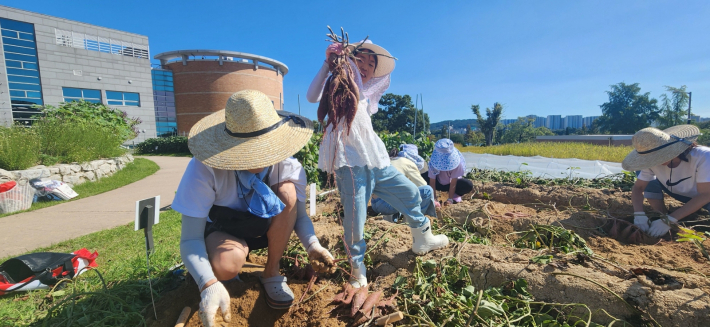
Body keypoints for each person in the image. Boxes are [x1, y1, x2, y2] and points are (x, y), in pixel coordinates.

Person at [172, 90, 335, 326]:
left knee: (288, 192)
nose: (257, 160)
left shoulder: (289, 167)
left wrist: (313, 245)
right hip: (223, 231)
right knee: (227, 265)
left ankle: (272, 272)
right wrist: (207, 283)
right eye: (247, 152)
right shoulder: (205, 169)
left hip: (269, 229)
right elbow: (189, 239)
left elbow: (299, 216)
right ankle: (218, 271)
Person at [307, 39, 448, 289]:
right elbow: (311, 96)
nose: (367, 66)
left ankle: (422, 238)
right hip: (351, 165)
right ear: (350, 58)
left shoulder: (361, 95)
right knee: (355, 218)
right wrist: (328, 64)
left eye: (372, 63)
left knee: (410, 193)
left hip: (377, 161)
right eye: (361, 59)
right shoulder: (338, 87)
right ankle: (357, 267)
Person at [623, 125, 710, 237]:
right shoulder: (649, 161)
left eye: (659, 157)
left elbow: (706, 194)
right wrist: (639, 213)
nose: (657, 162)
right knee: (646, 177)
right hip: (679, 192)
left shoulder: (704, 157)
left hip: (707, 196)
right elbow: (638, 188)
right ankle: (661, 215)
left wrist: (671, 219)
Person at [370, 146, 437, 222]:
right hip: (387, 205)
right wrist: (434, 202)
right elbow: (422, 185)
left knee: (400, 193)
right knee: (427, 190)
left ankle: (392, 217)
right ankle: (414, 221)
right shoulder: (407, 162)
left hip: (375, 204)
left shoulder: (390, 160)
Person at [422, 138, 474, 205]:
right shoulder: (433, 163)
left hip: (450, 184)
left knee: (467, 184)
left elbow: (453, 183)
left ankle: (455, 195)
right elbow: (432, 182)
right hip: (438, 183)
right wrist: (434, 199)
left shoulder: (457, 164)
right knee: (421, 177)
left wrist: (450, 199)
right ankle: (426, 196)